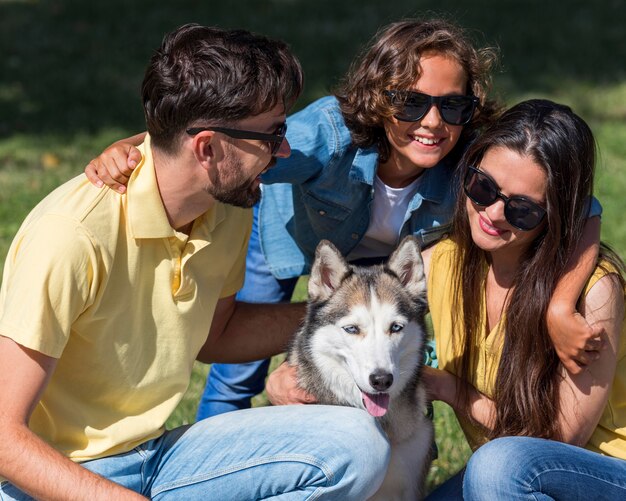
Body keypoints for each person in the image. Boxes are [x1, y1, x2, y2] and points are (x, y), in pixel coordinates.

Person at [85, 19, 603, 419]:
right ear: (377, 98)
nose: (431, 122)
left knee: (390, 355)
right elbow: (213, 133)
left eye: (452, 106)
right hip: (288, 239)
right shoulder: (328, 135)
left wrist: (560, 306)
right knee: (235, 370)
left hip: (387, 264)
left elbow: (584, 209)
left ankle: (400, 459)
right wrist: (133, 146)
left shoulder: (474, 160)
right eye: (410, 102)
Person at [0, 24, 391, 500]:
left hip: (159, 458)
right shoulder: (71, 235)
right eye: (273, 135)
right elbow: (4, 438)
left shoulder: (225, 206)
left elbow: (217, 335)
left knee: (356, 444)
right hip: (49, 478)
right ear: (207, 147)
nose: (283, 150)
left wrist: (349, 321)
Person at [419, 99, 626, 499]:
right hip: (503, 475)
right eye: (483, 187)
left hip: (607, 473)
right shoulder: (445, 261)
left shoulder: (595, 294)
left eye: (522, 210)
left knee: (501, 464)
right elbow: (360, 307)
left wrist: (448, 388)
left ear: (558, 216)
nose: (493, 213)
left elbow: (557, 441)